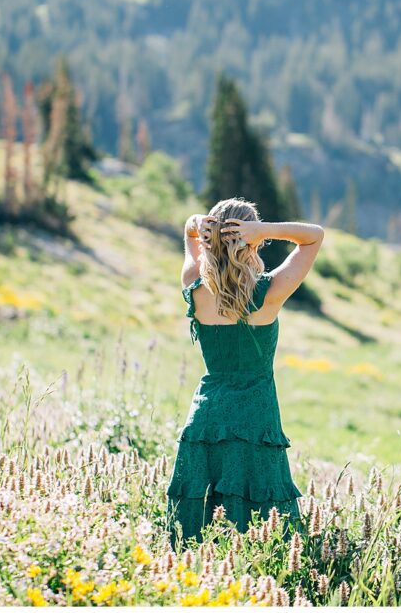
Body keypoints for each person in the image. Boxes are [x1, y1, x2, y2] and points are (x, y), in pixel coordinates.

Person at [166, 197, 324, 548]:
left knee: (198, 520)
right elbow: (314, 236)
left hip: (207, 415)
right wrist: (264, 230)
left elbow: (190, 235)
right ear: (252, 241)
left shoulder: (194, 284)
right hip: (257, 418)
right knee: (262, 520)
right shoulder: (270, 292)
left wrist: (196, 222)